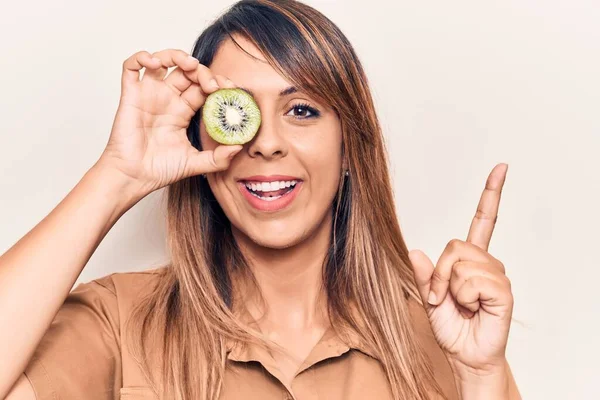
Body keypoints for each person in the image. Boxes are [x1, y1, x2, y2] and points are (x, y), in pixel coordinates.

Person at [0, 0, 521, 399]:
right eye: (238, 110)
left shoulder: (436, 333)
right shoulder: (119, 320)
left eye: (301, 110)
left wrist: (483, 376)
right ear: (200, 138)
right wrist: (118, 175)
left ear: (348, 148)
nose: (266, 142)